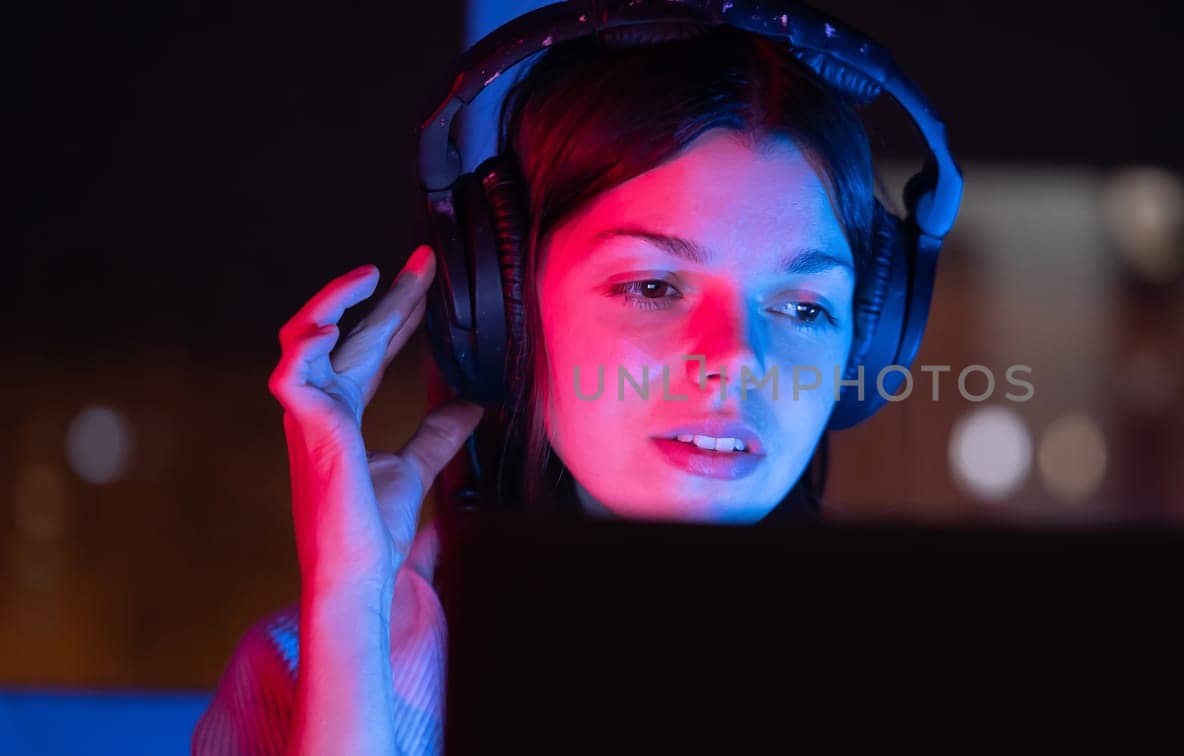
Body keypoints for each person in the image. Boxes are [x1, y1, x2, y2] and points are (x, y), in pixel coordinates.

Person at [193, 22, 897, 756]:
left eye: (805, 308)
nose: (736, 359)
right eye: (653, 286)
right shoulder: (312, 671)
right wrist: (351, 613)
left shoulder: (929, 682)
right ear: (510, 316)